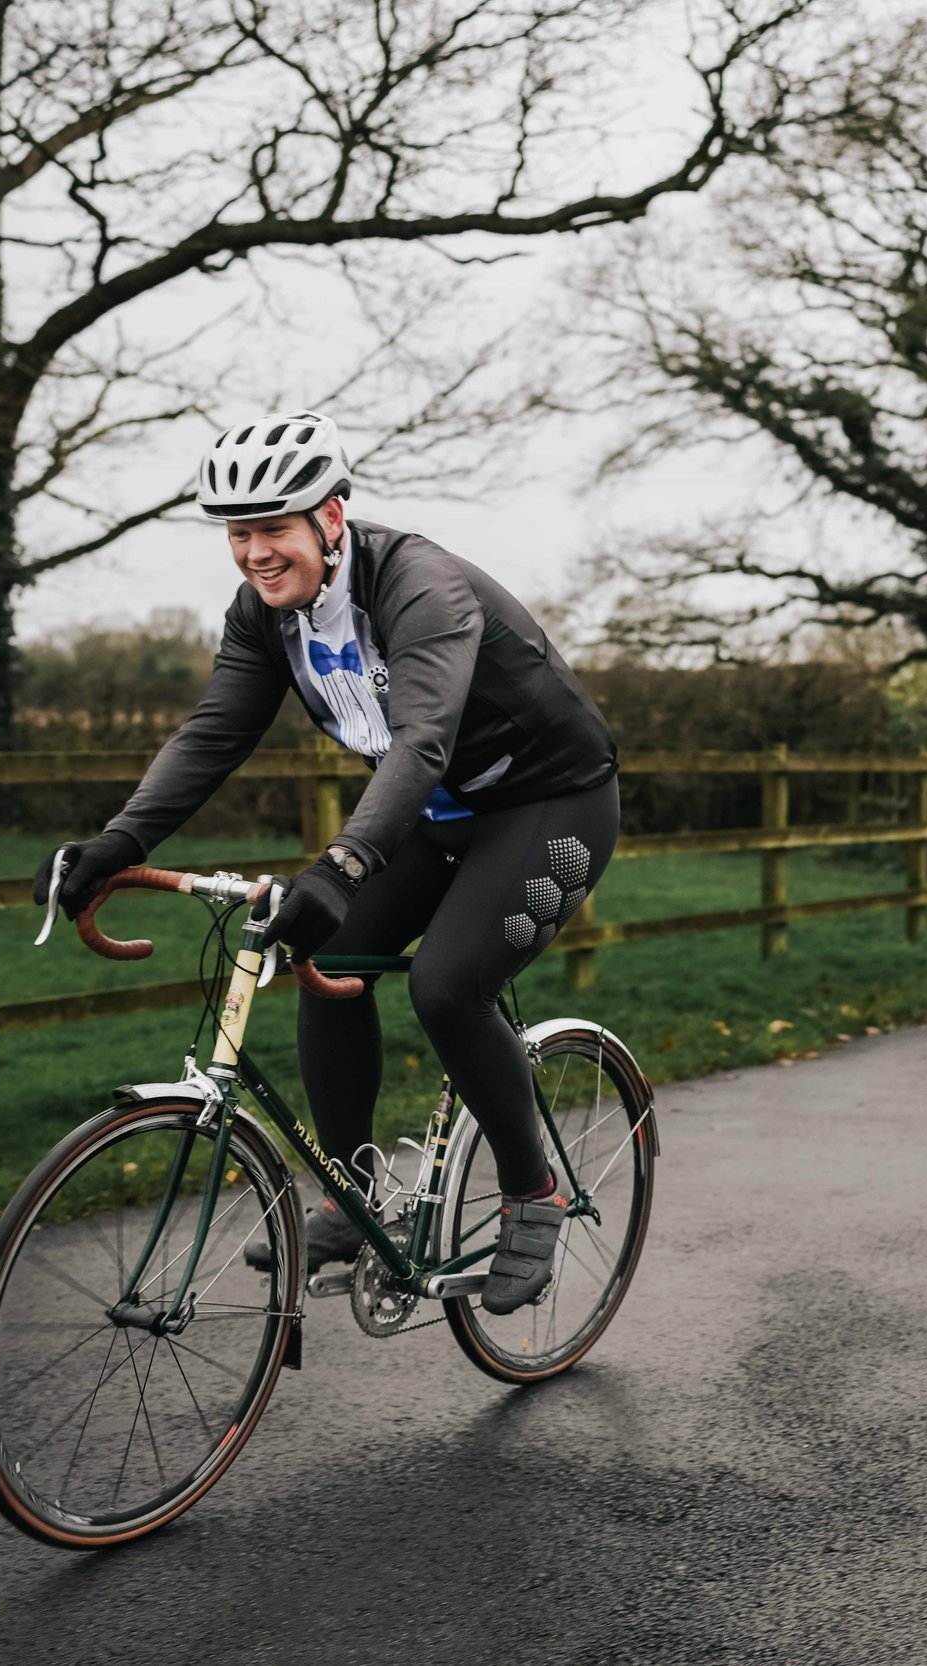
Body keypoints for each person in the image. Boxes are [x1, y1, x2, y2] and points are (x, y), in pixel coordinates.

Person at [31, 412, 618, 1315]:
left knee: (447, 987)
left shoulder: (420, 588)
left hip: (547, 805)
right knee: (326, 961)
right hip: (431, 813)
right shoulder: (266, 616)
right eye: (238, 533)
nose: (256, 553)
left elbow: (420, 741)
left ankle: (531, 1190)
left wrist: (340, 868)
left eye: (275, 528)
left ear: (332, 518)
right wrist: (120, 842)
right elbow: (213, 733)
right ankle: (353, 1192)